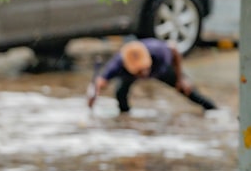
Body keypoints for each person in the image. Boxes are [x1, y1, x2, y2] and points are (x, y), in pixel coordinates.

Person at [88, 38, 217, 114]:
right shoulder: (118, 64)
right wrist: (94, 93)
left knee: (187, 89)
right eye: (139, 71)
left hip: (160, 70)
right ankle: (125, 116)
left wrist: (181, 77)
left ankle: (213, 109)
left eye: (144, 69)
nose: (143, 74)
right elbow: (100, 81)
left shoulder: (158, 51)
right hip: (129, 75)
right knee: (120, 93)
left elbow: (174, 50)